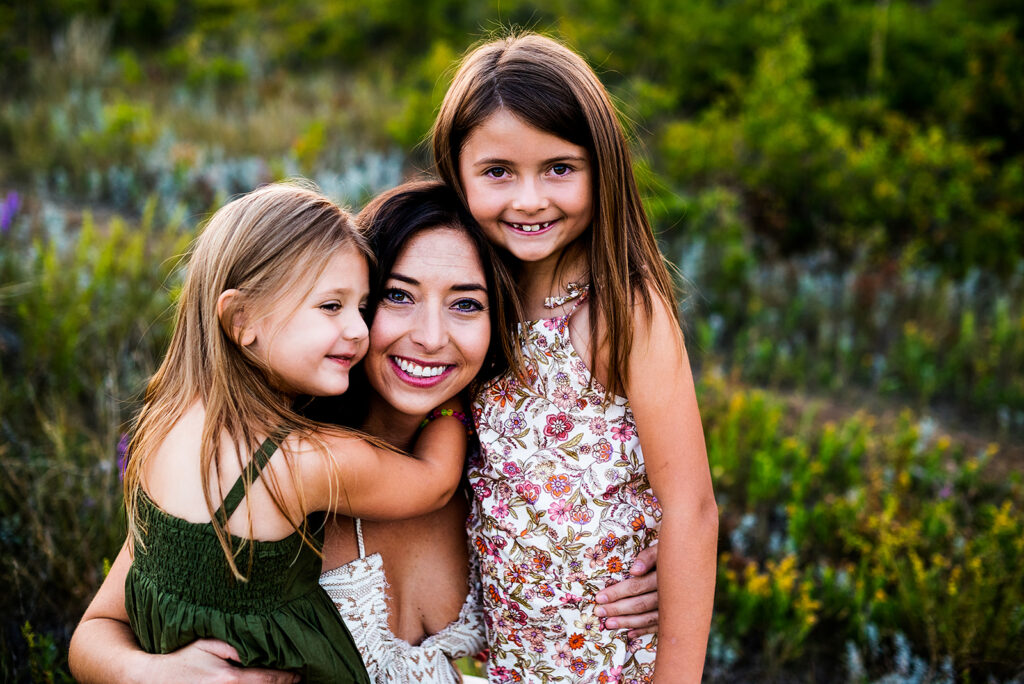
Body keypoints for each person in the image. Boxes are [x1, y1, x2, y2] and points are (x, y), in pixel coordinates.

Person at [69, 181, 662, 684]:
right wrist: (150, 673)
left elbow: (649, 522)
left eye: (467, 305)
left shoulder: (516, 470)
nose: (431, 336)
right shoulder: (256, 464)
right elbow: (94, 635)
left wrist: (642, 568)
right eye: (396, 296)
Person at [79, 181, 473, 683]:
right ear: (242, 320)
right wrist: (456, 403)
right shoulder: (304, 461)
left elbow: (101, 627)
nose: (357, 329)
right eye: (332, 306)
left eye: (363, 305)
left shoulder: (167, 425)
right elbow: (434, 480)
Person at [431, 33, 719, 682]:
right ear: (458, 173)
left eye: (559, 168)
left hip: (609, 657)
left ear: (601, 167)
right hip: (509, 656)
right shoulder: (467, 301)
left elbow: (691, 507)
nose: (529, 200)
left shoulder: (622, 308)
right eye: (498, 172)